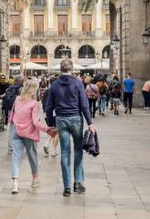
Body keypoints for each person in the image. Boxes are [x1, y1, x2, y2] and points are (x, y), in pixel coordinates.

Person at [46, 59, 95, 197]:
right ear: (71, 69)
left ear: (60, 69)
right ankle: (78, 183)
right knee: (78, 150)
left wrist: (51, 124)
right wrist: (90, 123)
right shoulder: (78, 83)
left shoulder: (54, 85)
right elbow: (84, 105)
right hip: (76, 119)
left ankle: (67, 187)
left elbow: (49, 107)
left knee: (65, 152)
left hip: (61, 119)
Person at [9, 79, 56, 194]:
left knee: (16, 156)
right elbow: (35, 122)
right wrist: (47, 130)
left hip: (16, 130)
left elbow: (13, 114)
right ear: (33, 90)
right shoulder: (34, 104)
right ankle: (35, 178)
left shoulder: (17, 99)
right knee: (32, 156)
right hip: (28, 132)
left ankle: (15, 184)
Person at [4, 75, 24, 153]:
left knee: (12, 129)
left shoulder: (9, 88)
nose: (23, 81)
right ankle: (18, 146)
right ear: (19, 81)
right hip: (19, 111)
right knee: (20, 128)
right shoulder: (20, 88)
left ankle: (10, 147)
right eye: (22, 80)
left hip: (11, 110)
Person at [42, 76, 59, 156]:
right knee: (57, 132)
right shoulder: (56, 91)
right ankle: (54, 151)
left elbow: (42, 102)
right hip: (55, 113)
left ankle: (46, 143)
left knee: (51, 130)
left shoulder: (46, 91)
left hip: (46, 114)